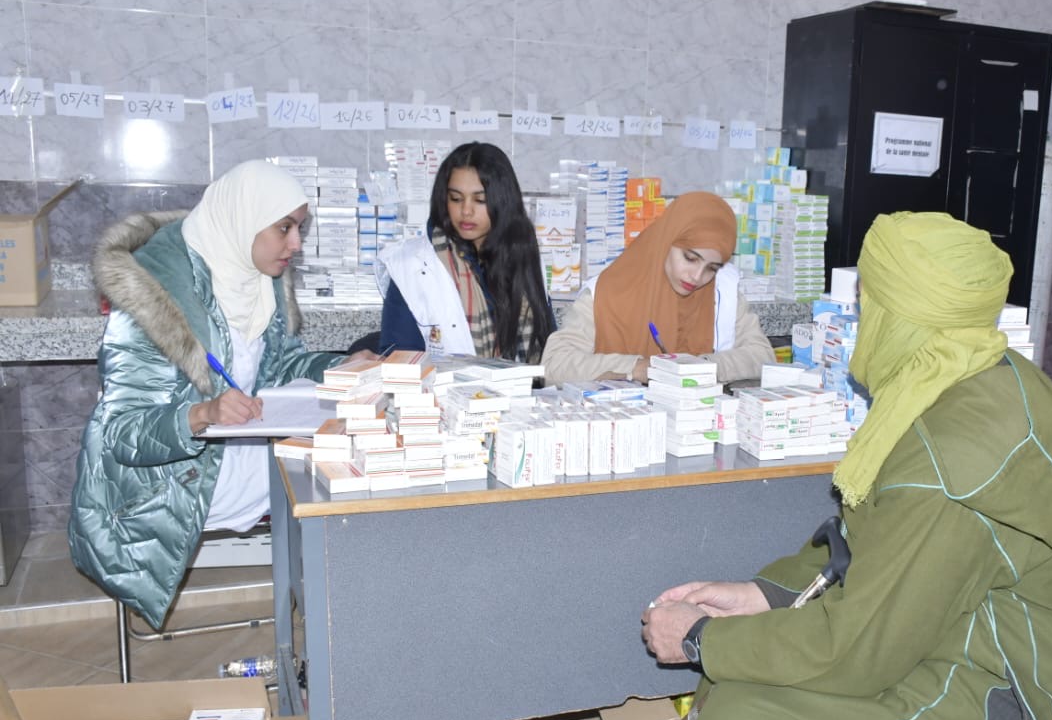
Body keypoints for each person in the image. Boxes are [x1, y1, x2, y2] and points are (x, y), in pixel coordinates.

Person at [640, 211, 1052, 720]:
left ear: (902, 317)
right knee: (741, 680)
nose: (858, 323)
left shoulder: (950, 458)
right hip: (962, 636)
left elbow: (858, 650)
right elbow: (871, 536)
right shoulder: (961, 373)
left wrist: (700, 638)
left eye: (867, 305)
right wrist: (764, 593)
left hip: (1014, 696)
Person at [69, 159, 373, 630]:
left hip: (234, 450)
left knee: (362, 457)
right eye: (285, 228)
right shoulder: (153, 294)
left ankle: (338, 631)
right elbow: (122, 434)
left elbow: (282, 366)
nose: (295, 244)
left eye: (300, 228)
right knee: (343, 479)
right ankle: (339, 631)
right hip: (165, 479)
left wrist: (344, 366)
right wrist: (202, 413)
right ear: (244, 220)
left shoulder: (259, 280)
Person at [541, 191, 774, 385]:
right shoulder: (606, 293)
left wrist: (704, 366)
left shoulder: (723, 292)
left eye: (712, 268)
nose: (697, 277)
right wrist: (638, 368)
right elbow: (554, 365)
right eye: (690, 258)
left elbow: (763, 356)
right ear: (666, 241)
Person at [376, 142, 555, 362]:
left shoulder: (525, 258)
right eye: (456, 198)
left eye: (480, 200)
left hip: (522, 384)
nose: (466, 211)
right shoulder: (410, 265)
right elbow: (399, 364)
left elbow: (550, 347)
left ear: (503, 202)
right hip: (439, 385)